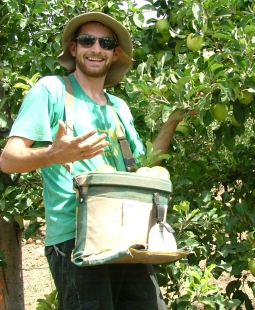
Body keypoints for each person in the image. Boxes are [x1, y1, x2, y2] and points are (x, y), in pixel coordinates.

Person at [0, 12, 194, 309]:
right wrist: (55, 154)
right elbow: (8, 159)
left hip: (128, 238)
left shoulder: (119, 108)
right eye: (87, 40)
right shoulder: (52, 90)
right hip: (76, 238)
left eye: (105, 43)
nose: (96, 48)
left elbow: (144, 166)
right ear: (73, 48)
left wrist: (172, 121)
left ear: (115, 53)